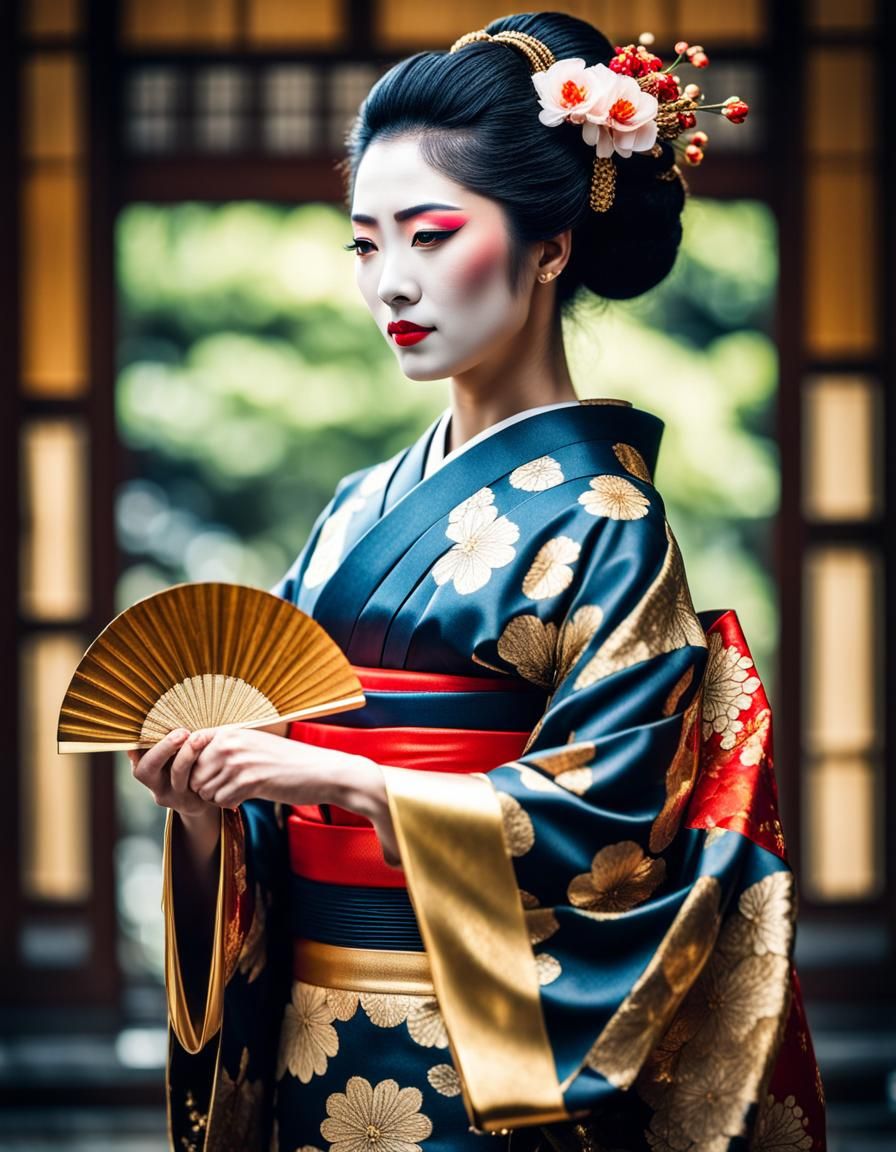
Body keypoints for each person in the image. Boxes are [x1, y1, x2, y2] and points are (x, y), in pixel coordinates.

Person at [130, 12, 826, 1152]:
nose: (391, 285)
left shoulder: (606, 520)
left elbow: (614, 829)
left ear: (549, 248)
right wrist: (212, 818)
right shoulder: (354, 506)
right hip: (312, 1036)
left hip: (485, 1055)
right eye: (365, 246)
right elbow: (275, 780)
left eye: (431, 235)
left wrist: (349, 780)